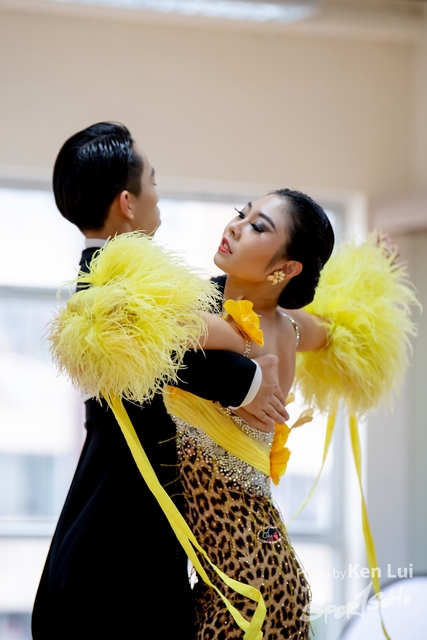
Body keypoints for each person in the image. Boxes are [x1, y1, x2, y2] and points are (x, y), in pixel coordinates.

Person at [31, 122, 290, 640]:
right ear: (127, 203)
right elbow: (165, 349)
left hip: (129, 548)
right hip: (112, 559)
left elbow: (199, 315)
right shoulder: (99, 293)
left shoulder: (144, 284)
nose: (157, 191)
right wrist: (245, 370)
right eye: (152, 180)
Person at [163, 189, 334, 639]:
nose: (235, 227)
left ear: (288, 268)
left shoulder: (234, 330)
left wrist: (232, 336)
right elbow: (330, 330)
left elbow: (153, 323)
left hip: (244, 591)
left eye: (258, 226)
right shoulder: (292, 326)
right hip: (262, 568)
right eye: (242, 213)